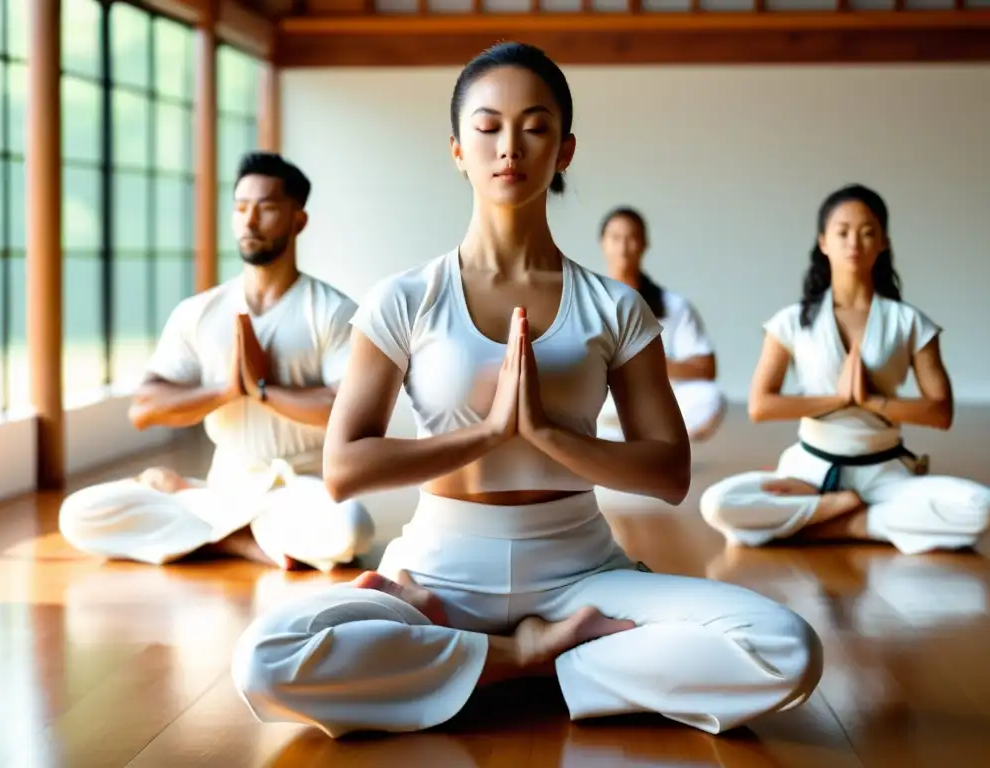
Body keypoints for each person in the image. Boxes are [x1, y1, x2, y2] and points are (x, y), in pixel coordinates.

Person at [229, 42, 822, 739]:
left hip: (580, 571)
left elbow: (668, 473)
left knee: (785, 647)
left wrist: (547, 434)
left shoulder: (614, 306)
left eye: (535, 126)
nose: (509, 146)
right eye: (487, 127)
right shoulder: (405, 297)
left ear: (565, 150)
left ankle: (474, 668)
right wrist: (486, 433)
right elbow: (343, 468)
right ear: (456, 149)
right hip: (436, 576)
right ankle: (531, 658)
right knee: (264, 660)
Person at [58, 152, 375, 572]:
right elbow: (144, 409)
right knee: (79, 515)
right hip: (225, 488)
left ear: (298, 220)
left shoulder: (331, 312)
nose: (250, 221)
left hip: (299, 489)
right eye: (241, 208)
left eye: (266, 208)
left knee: (352, 528)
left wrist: (264, 390)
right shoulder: (200, 312)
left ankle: (204, 521)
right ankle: (242, 541)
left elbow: (347, 414)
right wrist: (227, 391)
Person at [700, 184, 990, 555]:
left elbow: (940, 412)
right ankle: (851, 515)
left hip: (886, 473)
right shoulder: (791, 321)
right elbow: (761, 406)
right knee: (718, 503)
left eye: (868, 232)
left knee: (978, 508)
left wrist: (872, 402)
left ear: (884, 242)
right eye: (842, 232)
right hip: (807, 473)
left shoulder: (909, 322)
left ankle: (833, 524)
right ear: (823, 242)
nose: (855, 241)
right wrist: (838, 399)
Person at [596, 206, 726, 443]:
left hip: (655, 404)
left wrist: (646, 363)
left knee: (709, 397)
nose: (623, 248)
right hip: (602, 407)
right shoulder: (585, 301)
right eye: (615, 238)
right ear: (603, 243)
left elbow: (706, 368)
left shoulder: (673, 306)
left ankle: (657, 443)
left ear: (644, 244)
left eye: (631, 238)